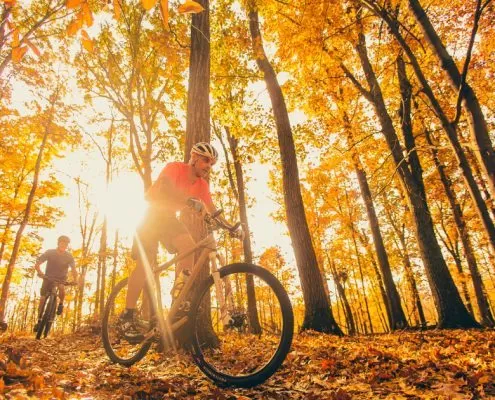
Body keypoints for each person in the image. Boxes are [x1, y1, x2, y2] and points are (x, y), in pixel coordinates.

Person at [120, 142, 241, 340]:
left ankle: (178, 298)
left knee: (190, 247)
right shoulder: (175, 168)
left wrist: (231, 227)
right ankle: (127, 316)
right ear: (194, 158)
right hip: (151, 216)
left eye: (211, 164)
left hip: (169, 220)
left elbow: (212, 209)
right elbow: (165, 189)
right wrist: (188, 200)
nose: (208, 166)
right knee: (145, 264)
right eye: (206, 161)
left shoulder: (202, 185)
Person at [33, 235, 79, 332]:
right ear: (58, 243)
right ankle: (39, 319)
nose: (64, 245)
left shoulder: (69, 256)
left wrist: (75, 279)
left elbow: (74, 269)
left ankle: (61, 303)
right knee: (42, 299)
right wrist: (40, 272)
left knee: (61, 288)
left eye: (66, 244)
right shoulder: (50, 252)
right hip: (48, 277)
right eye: (62, 242)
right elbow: (38, 263)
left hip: (61, 279)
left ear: (67, 245)